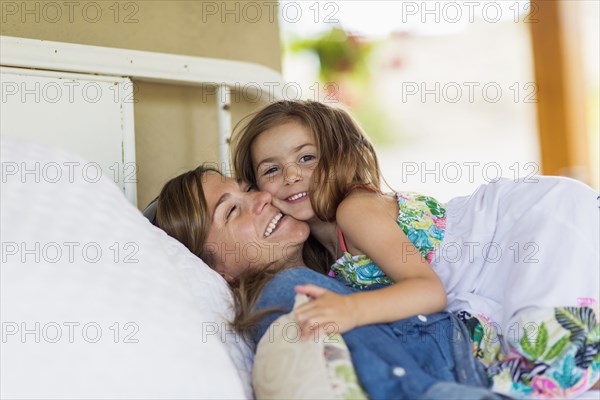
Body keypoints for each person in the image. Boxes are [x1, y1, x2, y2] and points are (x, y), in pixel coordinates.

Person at [229, 99, 600, 398]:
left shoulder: (354, 212)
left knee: (552, 346)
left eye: (306, 158)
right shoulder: (327, 255)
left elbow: (428, 291)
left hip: (525, 225)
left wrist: (351, 309)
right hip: (485, 274)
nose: (291, 175)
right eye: (271, 170)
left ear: (341, 157)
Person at [151, 166, 500, 399]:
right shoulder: (290, 290)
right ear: (217, 271)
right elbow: (404, 386)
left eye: (247, 189)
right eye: (231, 211)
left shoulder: (346, 270)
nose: (261, 198)